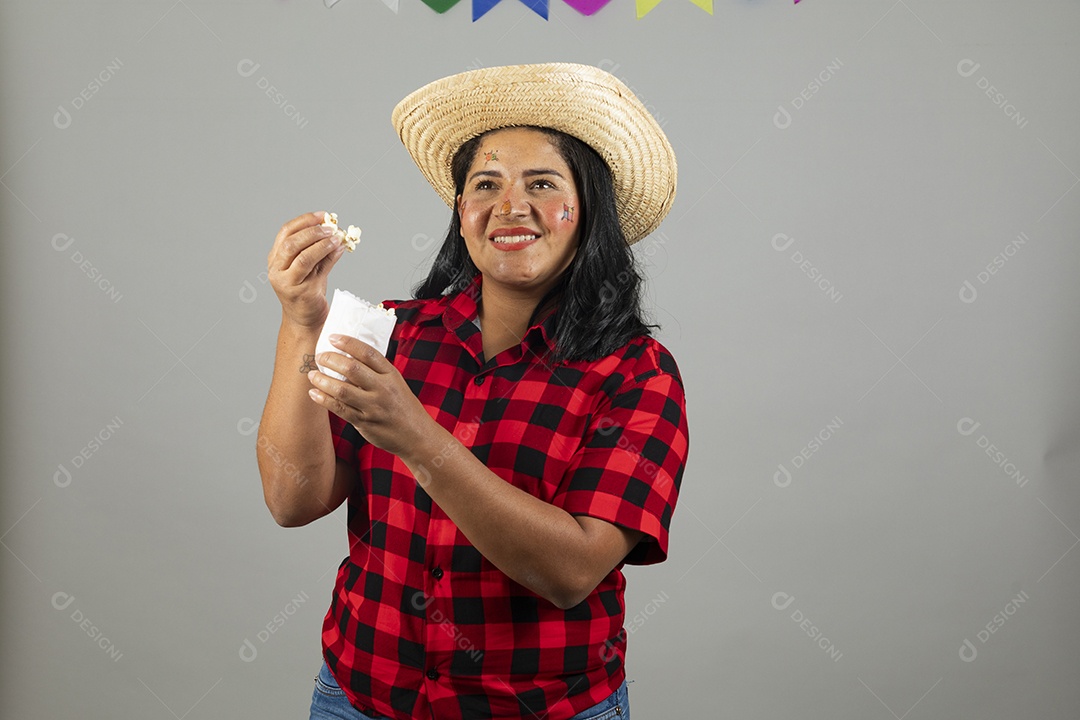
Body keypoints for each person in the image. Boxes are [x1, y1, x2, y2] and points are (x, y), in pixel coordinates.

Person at [257, 63, 689, 720]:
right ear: (462, 214)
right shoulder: (393, 334)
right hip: (359, 699)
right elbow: (294, 498)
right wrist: (301, 321)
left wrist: (417, 436)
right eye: (485, 184)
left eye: (542, 184)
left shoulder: (639, 376)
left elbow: (571, 573)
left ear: (587, 212)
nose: (510, 206)